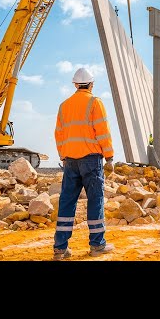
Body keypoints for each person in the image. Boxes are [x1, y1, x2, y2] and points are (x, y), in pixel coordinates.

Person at [52, 67, 115, 260]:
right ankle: (97, 245)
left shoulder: (64, 105)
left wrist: (64, 155)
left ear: (75, 84)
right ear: (91, 84)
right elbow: (102, 131)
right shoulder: (95, 102)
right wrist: (109, 157)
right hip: (91, 159)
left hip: (70, 161)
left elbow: (59, 134)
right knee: (95, 200)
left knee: (67, 201)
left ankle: (60, 248)